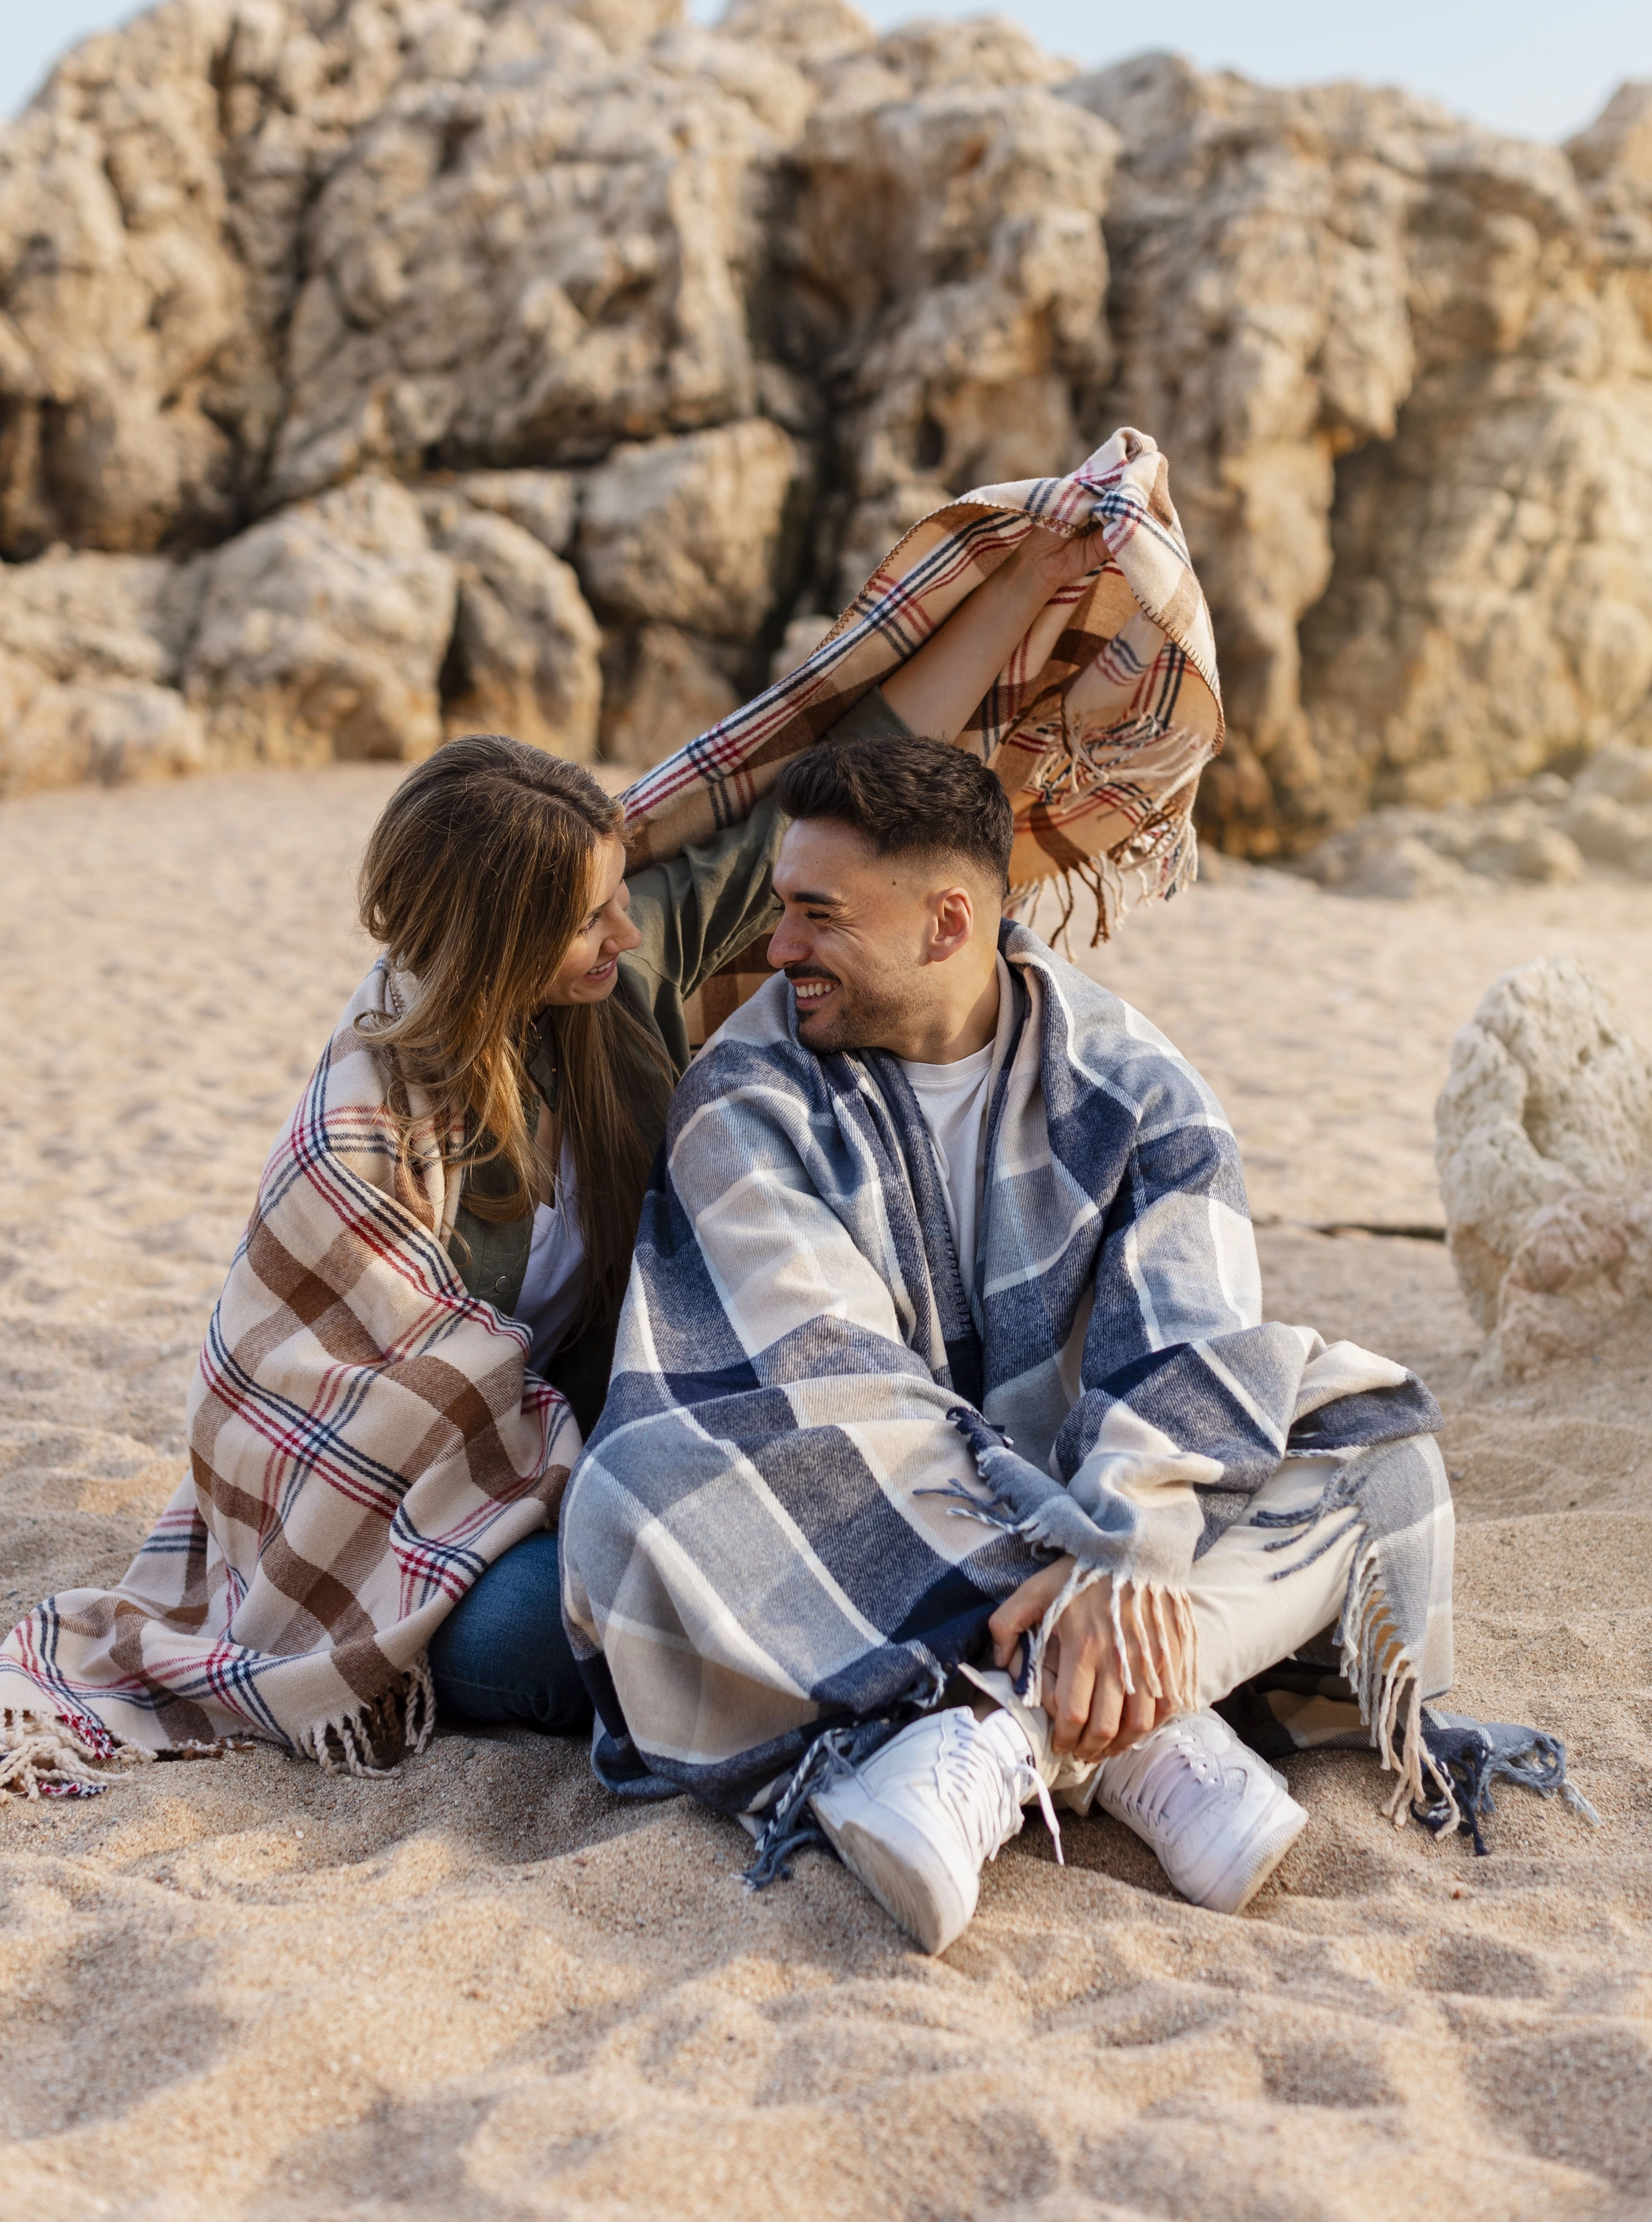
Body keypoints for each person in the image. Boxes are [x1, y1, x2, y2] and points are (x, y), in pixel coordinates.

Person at [0, 513, 1116, 1799]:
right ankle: (961, 1703)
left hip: (608, 1458)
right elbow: (318, 1404)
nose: (627, 933)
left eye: (619, 896)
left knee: (740, 1546)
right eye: (591, 918)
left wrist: (1023, 588)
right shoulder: (365, 1122)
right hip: (401, 1535)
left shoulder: (614, 1003)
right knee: (557, 1630)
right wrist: (576, 1476)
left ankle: (1004, 1695)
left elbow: (824, 785)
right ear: (502, 944)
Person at [559, 735, 1582, 1954]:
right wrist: (1099, 1567)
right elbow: (821, 1375)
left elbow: (1194, 1347)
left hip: (1074, 1522)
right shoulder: (744, 1092)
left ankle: (1006, 1739)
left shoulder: (1136, 1085)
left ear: (947, 924)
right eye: (782, 907)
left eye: (817, 916)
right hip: (867, 1498)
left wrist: (1121, 1546)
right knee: (642, 1489)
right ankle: (1143, 1731)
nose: (778, 950)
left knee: (1379, 1454)